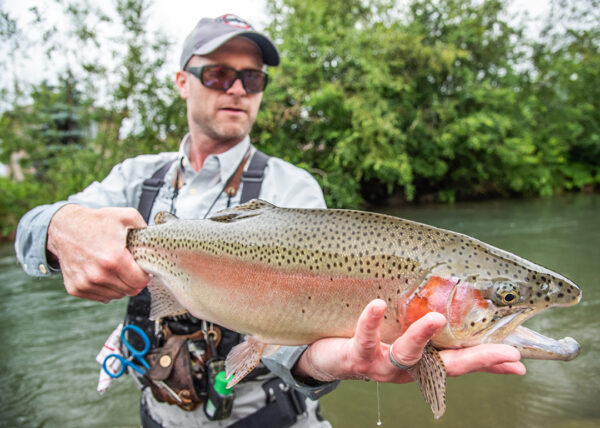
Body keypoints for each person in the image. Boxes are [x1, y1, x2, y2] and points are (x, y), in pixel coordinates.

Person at [15, 14, 525, 428]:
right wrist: (61, 226)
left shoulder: (294, 190)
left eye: (252, 78)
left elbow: (307, 338)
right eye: (218, 74)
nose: (237, 88)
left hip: (269, 416)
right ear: (181, 82)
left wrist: (319, 363)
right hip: (159, 414)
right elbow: (30, 233)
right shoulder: (133, 180)